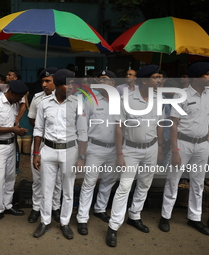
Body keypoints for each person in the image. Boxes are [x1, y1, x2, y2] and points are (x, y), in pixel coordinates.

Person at [106, 65, 164, 247]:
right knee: (124, 186)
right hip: (130, 149)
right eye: (156, 77)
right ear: (145, 80)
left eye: (160, 77)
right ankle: (113, 226)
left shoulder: (158, 99)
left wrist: (161, 147)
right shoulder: (127, 99)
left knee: (145, 184)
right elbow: (118, 128)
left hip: (152, 148)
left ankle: (134, 215)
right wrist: (119, 154)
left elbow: (160, 124)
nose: (159, 80)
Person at [159, 62, 209, 236]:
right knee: (173, 180)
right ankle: (165, 216)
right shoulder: (180, 96)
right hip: (183, 144)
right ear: (197, 77)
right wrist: (174, 150)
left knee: (197, 182)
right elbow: (173, 124)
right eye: (208, 74)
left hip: (202, 144)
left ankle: (194, 218)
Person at [32, 69, 87, 239]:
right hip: (48, 150)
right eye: (68, 83)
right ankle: (45, 221)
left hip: (70, 150)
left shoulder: (78, 103)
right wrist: (36, 153)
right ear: (58, 85)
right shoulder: (44, 103)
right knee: (46, 188)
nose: (72, 87)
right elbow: (38, 129)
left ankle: (64, 222)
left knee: (68, 190)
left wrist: (81, 157)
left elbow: (83, 132)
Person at [76, 70, 119, 235]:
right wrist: (82, 154)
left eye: (105, 79)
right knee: (89, 183)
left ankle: (100, 208)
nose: (101, 81)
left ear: (113, 84)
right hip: (95, 148)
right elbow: (82, 129)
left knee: (108, 181)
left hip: (114, 149)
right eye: (100, 79)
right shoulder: (89, 100)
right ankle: (82, 218)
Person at [0, 80, 29, 226]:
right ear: (12, 93)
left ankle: (8, 205)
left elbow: (14, 122)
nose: (20, 100)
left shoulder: (15, 104)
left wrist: (17, 128)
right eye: (19, 97)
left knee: (10, 176)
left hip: (11, 145)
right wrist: (12, 129)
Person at [27, 67, 62, 224]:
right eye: (42, 81)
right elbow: (33, 120)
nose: (44, 84)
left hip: (60, 145)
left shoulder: (68, 99)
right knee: (38, 179)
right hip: (41, 144)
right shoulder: (37, 98)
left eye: (48, 81)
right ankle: (36, 208)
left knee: (58, 181)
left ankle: (55, 207)